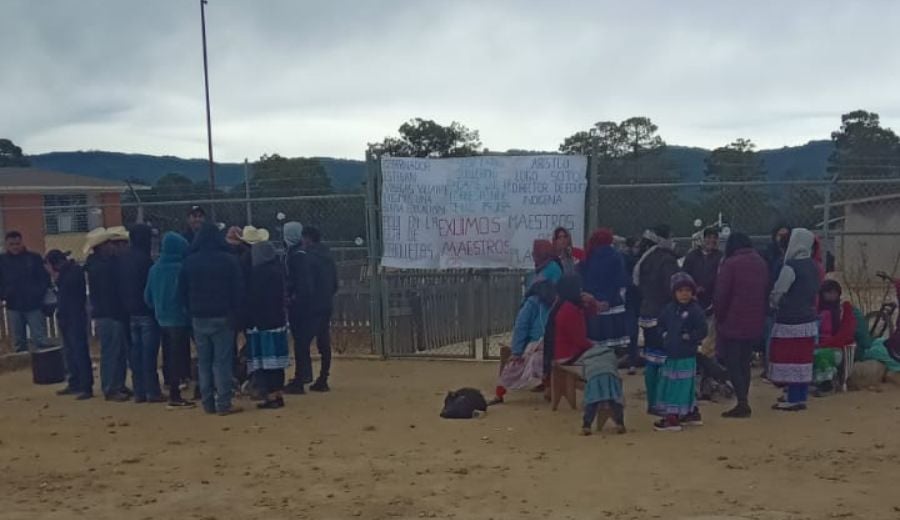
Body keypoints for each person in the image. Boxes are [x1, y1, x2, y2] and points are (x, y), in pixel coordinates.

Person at [181, 222, 244, 415]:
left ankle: (207, 403)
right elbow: (238, 291)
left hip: (198, 316)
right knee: (222, 361)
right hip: (223, 316)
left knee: (204, 361)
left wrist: (189, 311)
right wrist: (237, 315)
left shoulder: (189, 261)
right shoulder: (229, 260)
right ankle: (223, 402)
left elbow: (182, 291)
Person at [714, 232, 769, 418]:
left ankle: (742, 401)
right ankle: (743, 399)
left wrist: (719, 318)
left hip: (733, 320)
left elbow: (722, 295)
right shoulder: (760, 262)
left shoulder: (730, 264)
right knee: (745, 362)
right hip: (754, 320)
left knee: (733, 363)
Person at [769, 228, 821, 412]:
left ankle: (791, 397)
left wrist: (773, 303)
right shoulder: (813, 266)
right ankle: (800, 395)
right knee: (802, 360)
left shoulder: (790, 266)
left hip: (789, 320)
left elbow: (779, 291)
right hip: (808, 320)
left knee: (788, 358)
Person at [633, 225, 680, 414]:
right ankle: (662, 401)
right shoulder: (667, 260)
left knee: (652, 359)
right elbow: (673, 288)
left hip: (646, 314)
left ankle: (652, 401)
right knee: (664, 360)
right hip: (663, 315)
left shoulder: (645, 258)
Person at [144, 232, 194, 408]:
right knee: (179, 357)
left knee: (168, 356)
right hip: (180, 319)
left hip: (161, 320)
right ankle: (176, 394)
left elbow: (147, 298)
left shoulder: (154, 268)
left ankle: (173, 389)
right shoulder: (182, 268)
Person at [654, 273, 707, 432]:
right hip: (671, 354)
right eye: (680, 290)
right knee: (673, 383)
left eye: (688, 290)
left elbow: (703, 330)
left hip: (686, 355)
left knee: (681, 386)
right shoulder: (669, 308)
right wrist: (663, 334)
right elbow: (660, 324)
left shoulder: (695, 310)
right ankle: (690, 412)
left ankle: (673, 417)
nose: (684, 294)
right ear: (674, 292)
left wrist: (691, 337)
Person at [117, 224, 162, 403]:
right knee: (149, 355)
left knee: (135, 355)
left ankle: (139, 392)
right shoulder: (145, 260)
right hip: (146, 313)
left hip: (129, 313)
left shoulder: (122, 258)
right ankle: (152, 392)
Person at [84, 228, 130, 401]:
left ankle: (116, 385)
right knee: (112, 352)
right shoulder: (103, 267)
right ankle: (111, 387)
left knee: (115, 352)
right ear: (102, 246)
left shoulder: (96, 264)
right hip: (110, 313)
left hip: (107, 313)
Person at [292, 225, 339, 393]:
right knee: (323, 341)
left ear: (307, 239)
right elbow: (335, 283)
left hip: (312, 306)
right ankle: (323, 377)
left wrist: (302, 302)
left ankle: (300, 379)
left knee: (302, 342)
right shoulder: (327, 256)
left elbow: (307, 284)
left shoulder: (308, 257)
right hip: (326, 303)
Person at [492, 280, 555, 404]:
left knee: (513, 368)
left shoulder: (531, 303)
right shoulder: (553, 303)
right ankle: (548, 388)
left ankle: (499, 394)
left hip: (534, 344)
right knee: (545, 365)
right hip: (550, 344)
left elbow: (521, 326)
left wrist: (516, 351)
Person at [245, 241, 291, 409]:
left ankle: (270, 396)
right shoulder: (278, 270)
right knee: (277, 362)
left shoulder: (256, 274)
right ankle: (278, 394)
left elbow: (253, 299)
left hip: (261, 324)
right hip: (277, 321)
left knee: (265, 363)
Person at [45, 250, 93, 400]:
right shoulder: (71, 271)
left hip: (75, 317)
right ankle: (75, 382)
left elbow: (67, 291)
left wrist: (55, 277)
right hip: (67, 317)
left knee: (79, 352)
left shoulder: (72, 272)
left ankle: (85, 386)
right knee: (70, 353)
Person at [0, 231, 51, 352]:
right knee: (18, 341)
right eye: (12, 244)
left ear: (22, 242)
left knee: (40, 339)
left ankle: (44, 364)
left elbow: (44, 278)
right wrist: (4, 295)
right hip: (13, 305)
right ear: (6, 244)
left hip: (34, 305)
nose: (15, 247)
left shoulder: (34, 258)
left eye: (17, 243)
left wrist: (38, 294)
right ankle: (22, 365)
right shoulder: (2, 261)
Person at [581, 228, 629, 351]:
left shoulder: (588, 256)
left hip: (594, 304)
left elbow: (585, 281)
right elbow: (620, 281)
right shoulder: (616, 256)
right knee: (616, 345)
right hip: (614, 304)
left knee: (597, 344)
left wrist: (595, 300)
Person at [813, 280, 857, 395]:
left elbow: (846, 334)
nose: (832, 295)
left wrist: (825, 344)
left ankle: (827, 386)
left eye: (835, 292)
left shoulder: (844, 309)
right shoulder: (816, 309)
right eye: (828, 292)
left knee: (822, 354)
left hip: (838, 348)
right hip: (818, 344)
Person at [682, 228, 723, 311]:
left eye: (714, 237)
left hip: (713, 299)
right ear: (702, 239)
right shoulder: (692, 255)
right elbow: (684, 275)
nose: (712, 240)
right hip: (693, 298)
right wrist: (694, 288)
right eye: (708, 237)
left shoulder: (720, 256)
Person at [622, 237, 642, 374]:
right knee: (632, 330)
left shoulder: (626, 258)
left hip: (634, 298)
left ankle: (632, 360)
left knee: (632, 330)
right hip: (632, 298)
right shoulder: (629, 259)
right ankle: (632, 360)